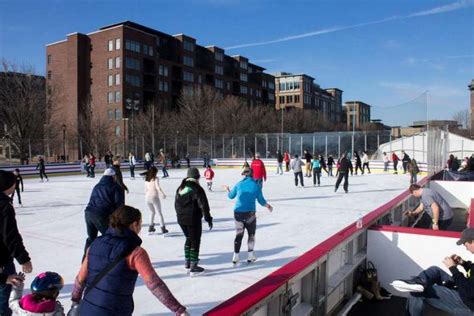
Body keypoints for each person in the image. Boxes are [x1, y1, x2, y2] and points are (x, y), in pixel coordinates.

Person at [69, 206, 188, 316]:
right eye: (140, 224)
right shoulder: (136, 253)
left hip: (87, 310)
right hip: (115, 311)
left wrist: (75, 301)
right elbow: (154, 284)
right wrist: (178, 310)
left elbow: (80, 279)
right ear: (134, 224)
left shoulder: (94, 244)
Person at [391, 227, 474, 316]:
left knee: (418, 291)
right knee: (435, 270)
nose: (466, 248)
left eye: (466, 245)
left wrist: (453, 268)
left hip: (468, 304)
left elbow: (469, 292)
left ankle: (419, 285)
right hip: (466, 290)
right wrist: (463, 263)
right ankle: (419, 282)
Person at [0, 170, 33, 315]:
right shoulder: (4, 207)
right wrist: (24, 259)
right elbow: (10, 236)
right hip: (2, 261)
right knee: (5, 300)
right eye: (14, 183)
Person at [224, 168, 273, 264]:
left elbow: (230, 196)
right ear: (252, 175)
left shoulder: (239, 184)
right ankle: (250, 255)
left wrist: (228, 190)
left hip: (238, 213)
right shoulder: (256, 185)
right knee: (251, 234)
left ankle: (236, 256)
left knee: (239, 234)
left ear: (244, 175)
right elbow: (261, 200)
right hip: (250, 214)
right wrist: (268, 206)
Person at [175, 168, 213, 276]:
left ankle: (188, 261)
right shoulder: (197, 188)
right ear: (197, 177)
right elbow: (203, 204)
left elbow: (176, 204)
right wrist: (208, 218)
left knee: (189, 238)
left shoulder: (180, 187)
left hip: (181, 219)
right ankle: (194, 265)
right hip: (192, 218)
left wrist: (180, 216)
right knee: (195, 240)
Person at [83, 168, 124, 255]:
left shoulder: (97, 186)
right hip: (101, 214)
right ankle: (113, 259)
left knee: (91, 238)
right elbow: (119, 205)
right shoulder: (115, 187)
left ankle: (85, 260)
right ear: (113, 177)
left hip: (88, 213)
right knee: (111, 237)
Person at [144, 167, 168, 234]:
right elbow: (157, 187)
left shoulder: (146, 179)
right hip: (154, 197)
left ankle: (151, 227)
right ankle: (163, 228)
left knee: (152, 212)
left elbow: (145, 190)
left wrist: (147, 195)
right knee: (159, 213)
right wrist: (163, 194)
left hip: (147, 198)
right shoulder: (156, 179)